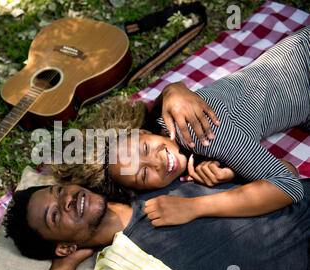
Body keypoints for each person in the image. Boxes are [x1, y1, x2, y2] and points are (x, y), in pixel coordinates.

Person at [52, 26, 309, 226]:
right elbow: (287, 170)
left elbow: (288, 185)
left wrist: (194, 208)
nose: (157, 162)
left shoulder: (199, 133)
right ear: (142, 190)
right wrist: (235, 171)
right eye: (143, 175)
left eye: (144, 148)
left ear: (142, 131)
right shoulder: (180, 141)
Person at [4, 180, 310, 270]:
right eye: (55, 216)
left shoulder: (148, 177)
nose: (66, 201)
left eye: (58, 191)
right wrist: (63, 266)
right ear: (65, 245)